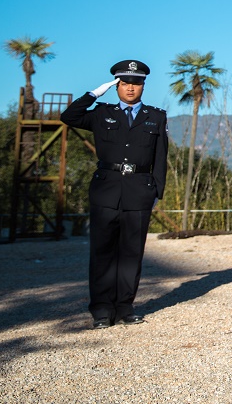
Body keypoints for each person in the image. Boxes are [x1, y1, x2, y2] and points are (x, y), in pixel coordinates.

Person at [60, 60, 167, 329]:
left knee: (132, 253)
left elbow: (161, 158)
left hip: (139, 191)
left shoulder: (155, 116)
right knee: (102, 252)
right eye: (125, 83)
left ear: (144, 85)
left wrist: (157, 191)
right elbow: (68, 117)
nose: (131, 88)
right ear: (117, 85)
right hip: (106, 190)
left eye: (137, 83)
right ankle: (101, 310)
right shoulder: (101, 113)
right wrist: (94, 93)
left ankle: (125, 307)